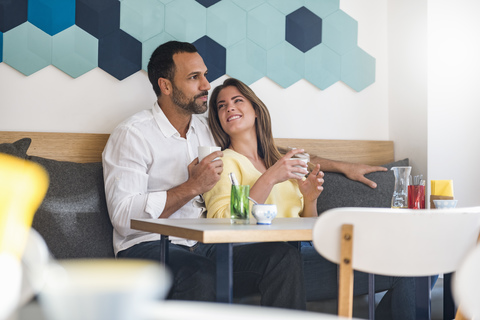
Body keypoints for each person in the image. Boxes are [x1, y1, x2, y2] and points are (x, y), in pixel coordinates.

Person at [102, 41, 307, 309]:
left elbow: (265, 149)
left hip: (206, 244)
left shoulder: (205, 131)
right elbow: (123, 218)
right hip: (147, 247)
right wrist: (192, 186)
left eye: (205, 75)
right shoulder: (133, 134)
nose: (206, 85)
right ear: (165, 86)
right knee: (201, 274)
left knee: (282, 257)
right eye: (194, 78)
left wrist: (339, 165)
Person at [203, 77, 420, 319]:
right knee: (287, 258)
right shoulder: (222, 163)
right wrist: (270, 178)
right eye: (221, 106)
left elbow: (306, 224)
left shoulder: (282, 162)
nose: (229, 107)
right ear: (218, 120)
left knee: (413, 262)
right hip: (262, 260)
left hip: (301, 252)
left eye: (237, 100)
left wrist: (310, 199)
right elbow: (223, 223)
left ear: (255, 110)